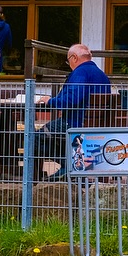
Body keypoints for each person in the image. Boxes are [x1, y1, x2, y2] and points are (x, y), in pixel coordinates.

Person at [37, 44, 112, 179]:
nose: (69, 64)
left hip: (74, 123)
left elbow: (71, 100)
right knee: (49, 134)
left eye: (68, 60)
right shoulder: (102, 75)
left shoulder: (79, 73)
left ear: (74, 58)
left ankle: (71, 166)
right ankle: (73, 165)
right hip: (95, 126)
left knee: (35, 138)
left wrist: (50, 101)